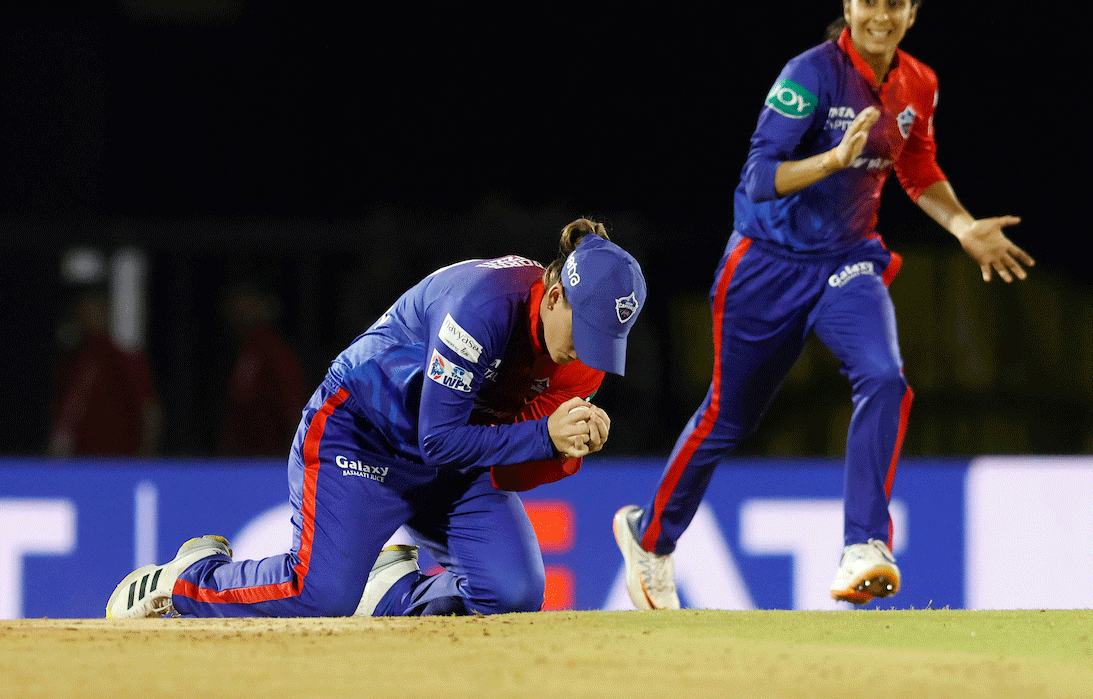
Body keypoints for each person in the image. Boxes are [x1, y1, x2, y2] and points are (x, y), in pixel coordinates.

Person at [613, 0, 1034, 609]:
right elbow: (756, 180)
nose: (880, 14)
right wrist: (834, 159)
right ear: (847, 6)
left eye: (895, 2)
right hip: (766, 266)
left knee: (885, 378)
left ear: (912, 14)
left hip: (848, 262)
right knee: (729, 416)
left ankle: (864, 545)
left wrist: (962, 227)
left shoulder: (918, 84)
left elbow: (916, 168)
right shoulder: (808, 75)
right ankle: (650, 536)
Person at [106, 218, 646, 618]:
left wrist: (561, 448)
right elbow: (439, 440)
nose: (590, 353)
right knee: (319, 597)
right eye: (588, 331)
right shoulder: (481, 306)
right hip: (361, 435)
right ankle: (186, 582)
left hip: (453, 455)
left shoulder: (580, 360)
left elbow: (508, 467)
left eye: (607, 340)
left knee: (514, 597)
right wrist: (544, 434)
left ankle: (389, 592)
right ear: (554, 297)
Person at [49, 289, 162, 457]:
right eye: (84, 312)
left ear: (106, 313)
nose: (90, 318)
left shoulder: (125, 359)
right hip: (80, 461)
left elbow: (149, 409)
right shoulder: (71, 362)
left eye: (95, 311)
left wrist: (147, 452)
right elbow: (67, 412)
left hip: (119, 460)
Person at [216, 280, 310, 457]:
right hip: (241, 461)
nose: (239, 307)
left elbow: (295, 408)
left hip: (269, 460)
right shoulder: (246, 348)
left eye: (247, 298)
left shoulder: (275, 350)